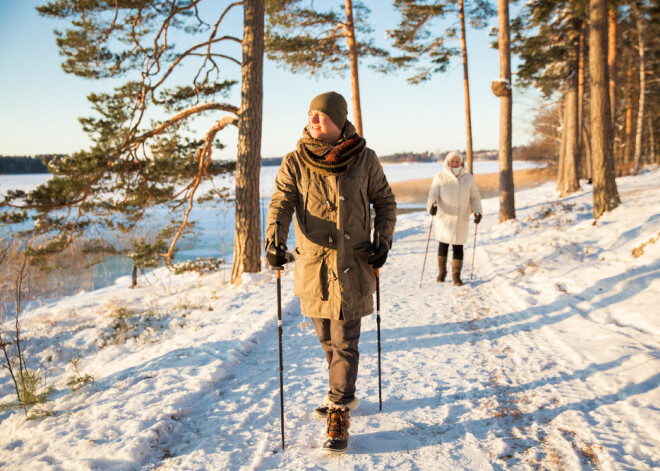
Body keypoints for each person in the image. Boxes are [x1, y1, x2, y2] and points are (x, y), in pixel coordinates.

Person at [265, 91, 397, 456]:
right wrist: (273, 241)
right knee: (326, 337)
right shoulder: (295, 161)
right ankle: (341, 389)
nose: (313, 120)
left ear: (338, 121)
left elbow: (385, 202)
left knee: (344, 340)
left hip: (353, 265)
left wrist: (382, 240)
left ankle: (339, 408)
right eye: (310, 114)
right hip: (314, 266)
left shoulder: (365, 159)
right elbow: (281, 203)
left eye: (320, 115)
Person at [426, 151, 482, 286]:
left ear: (461, 162)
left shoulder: (468, 178)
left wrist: (477, 211)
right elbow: (433, 195)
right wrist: (431, 207)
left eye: (457, 161)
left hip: (461, 218)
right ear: (447, 162)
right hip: (444, 218)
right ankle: (442, 272)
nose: (455, 163)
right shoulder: (440, 177)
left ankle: (456, 276)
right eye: (452, 161)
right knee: (443, 246)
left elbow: (475, 197)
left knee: (458, 247)